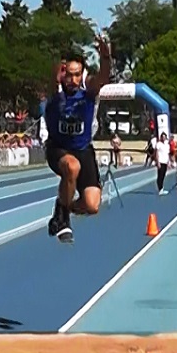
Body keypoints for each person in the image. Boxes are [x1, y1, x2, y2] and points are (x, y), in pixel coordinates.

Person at [44, 35, 112, 244]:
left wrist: (106, 57)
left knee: (92, 205)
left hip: (83, 150)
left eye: (77, 75)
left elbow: (102, 78)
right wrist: (55, 72)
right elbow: (50, 82)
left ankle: (62, 207)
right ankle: (63, 219)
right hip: (58, 148)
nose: (72, 80)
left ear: (82, 75)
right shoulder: (55, 93)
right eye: (69, 75)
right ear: (63, 74)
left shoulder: (89, 94)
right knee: (72, 167)